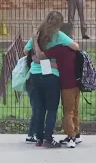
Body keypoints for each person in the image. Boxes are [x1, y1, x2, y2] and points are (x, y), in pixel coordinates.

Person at [23, 11, 79, 148]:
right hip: (51, 75)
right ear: (59, 23)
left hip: (35, 74)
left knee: (40, 108)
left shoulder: (38, 34)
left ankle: (39, 138)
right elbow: (76, 47)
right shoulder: (59, 36)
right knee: (52, 109)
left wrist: (35, 43)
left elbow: (25, 51)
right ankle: (49, 138)